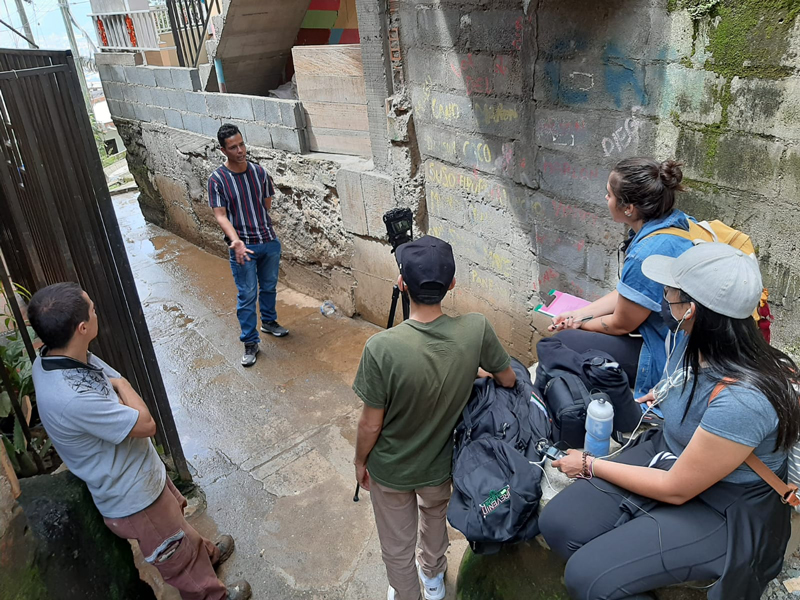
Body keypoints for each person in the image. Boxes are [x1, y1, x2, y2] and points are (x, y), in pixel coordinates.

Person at [539, 243, 800, 600]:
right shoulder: (689, 338)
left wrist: (590, 464)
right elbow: (679, 383)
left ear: (691, 309)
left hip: (722, 504)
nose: (663, 297)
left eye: (669, 291)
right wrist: (664, 393)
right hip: (672, 452)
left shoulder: (744, 399)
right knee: (558, 524)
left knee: (586, 579)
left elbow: (676, 488)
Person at [28, 282, 251, 600]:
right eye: (91, 307)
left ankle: (209, 555)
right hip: (135, 495)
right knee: (175, 555)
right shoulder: (71, 397)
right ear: (82, 327)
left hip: (139, 472)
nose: (96, 310)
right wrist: (124, 384)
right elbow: (146, 424)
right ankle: (211, 594)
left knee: (178, 525)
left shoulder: (54, 357)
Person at [352, 236, 517, 600]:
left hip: (391, 470)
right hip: (441, 466)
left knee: (396, 543)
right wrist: (474, 368)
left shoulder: (381, 349)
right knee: (433, 518)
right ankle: (434, 578)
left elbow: (370, 424)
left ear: (402, 285)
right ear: (452, 285)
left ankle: (408, 592)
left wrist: (360, 460)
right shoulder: (475, 329)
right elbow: (508, 378)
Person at [549, 158, 694, 400]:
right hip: (684, 341)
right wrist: (581, 314)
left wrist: (578, 324)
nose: (606, 199)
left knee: (561, 342)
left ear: (629, 208)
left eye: (609, 194)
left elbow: (621, 323)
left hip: (666, 353)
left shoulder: (644, 254)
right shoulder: (675, 224)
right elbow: (632, 293)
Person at [208, 123, 288, 367]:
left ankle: (269, 322)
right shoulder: (217, 180)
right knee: (247, 295)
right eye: (233, 147)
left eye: (242, 144)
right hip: (243, 248)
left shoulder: (259, 172)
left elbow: (266, 204)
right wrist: (237, 241)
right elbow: (220, 215)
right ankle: (250, 342)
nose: (240, 150)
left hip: (268, 242)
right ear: (223, 150)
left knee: (269, 287)